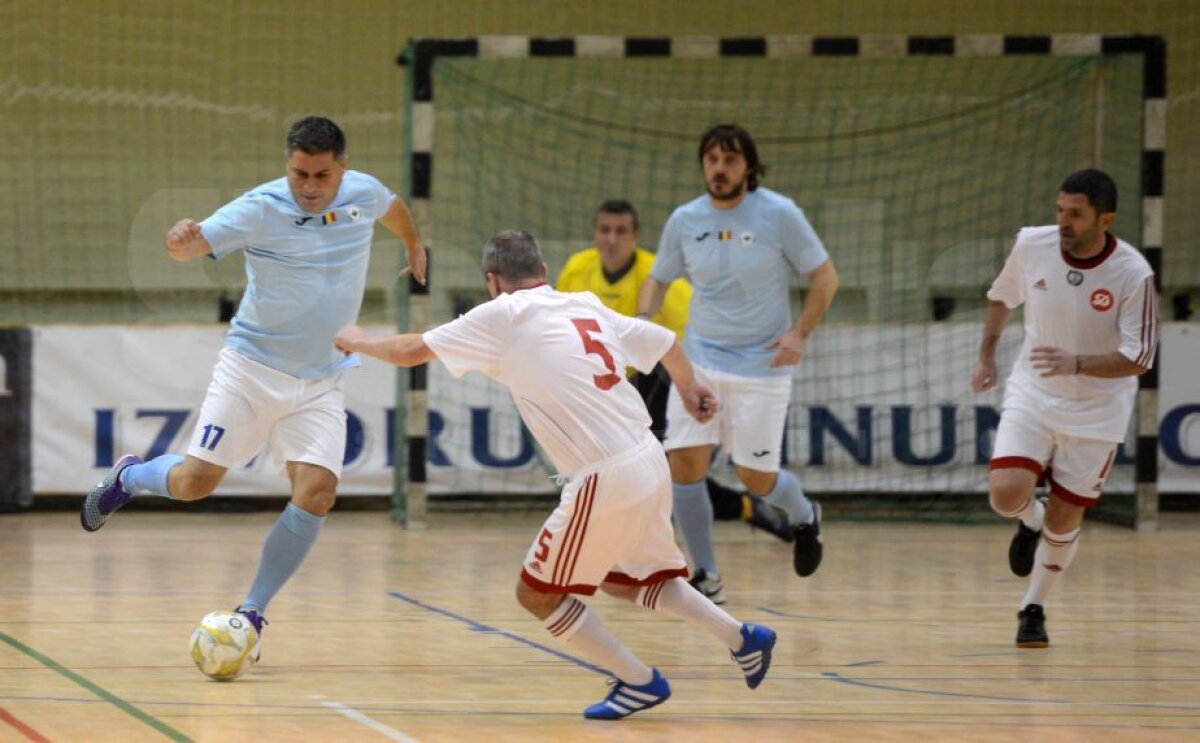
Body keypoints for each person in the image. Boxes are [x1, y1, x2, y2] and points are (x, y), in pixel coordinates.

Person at [334, 229, 777, 720]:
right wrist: (691, 389)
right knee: (624, 578)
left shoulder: (503, 313)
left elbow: (412, 350)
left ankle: (639, 680)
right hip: (648, 458)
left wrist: (357, 341)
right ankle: (743, 638)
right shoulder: (582, 303)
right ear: (544, 274)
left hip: (604, 474)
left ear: (492, 281)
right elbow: (665, 341)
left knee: (536, 594)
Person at [81, 116, 426, 646]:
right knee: (195, 485)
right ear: (286, 166)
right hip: (251, 370)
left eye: (321, 175)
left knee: (318, 493)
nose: (309, 187)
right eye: (299, 174)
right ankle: (129, 478)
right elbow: (189, 248)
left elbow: (394, 207)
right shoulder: (260, 207)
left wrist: (413, 245)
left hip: (322, 378)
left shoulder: (363, 192)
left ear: (343, 168)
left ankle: (252, 613)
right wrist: (181, 242)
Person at [637, 124, 839, 603]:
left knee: (756, 479)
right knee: (684, 465)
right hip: (702, 360)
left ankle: (806, 514)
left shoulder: (780, 213)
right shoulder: (685, 219)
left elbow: (825, 278)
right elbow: (659, 278)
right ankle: (706, 573)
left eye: (729, 159)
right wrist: (643, 323)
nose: (720, 168)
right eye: (711, 159)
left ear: (748, 165)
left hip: (763, 366)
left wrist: (799, 334)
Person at [972, 168, 1158, 648]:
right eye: (1060, 210)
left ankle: (1033, 607)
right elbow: (1000, 297)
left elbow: (1141, 356)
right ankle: (1026, 522)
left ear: (1105, 218)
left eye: (1076, 214)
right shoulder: (1032, 244)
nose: (1064, 222)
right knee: (1005, 494)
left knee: (1064, 521)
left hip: (1097, 411)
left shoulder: (1133, 273)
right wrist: (987, 356)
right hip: (1034, 390)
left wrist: (1076, 363)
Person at [556, 199, 750, 523]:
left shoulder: (656, 277)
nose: (612, 239)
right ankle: (746, 509)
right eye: (605, 230)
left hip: (659, 381)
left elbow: (695, 335)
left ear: (635, 236)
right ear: (595, 234)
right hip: (608, 388)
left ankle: (739, 511)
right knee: (639, 473)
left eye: (621, 231)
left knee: (657, 471)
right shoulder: (578, 269)